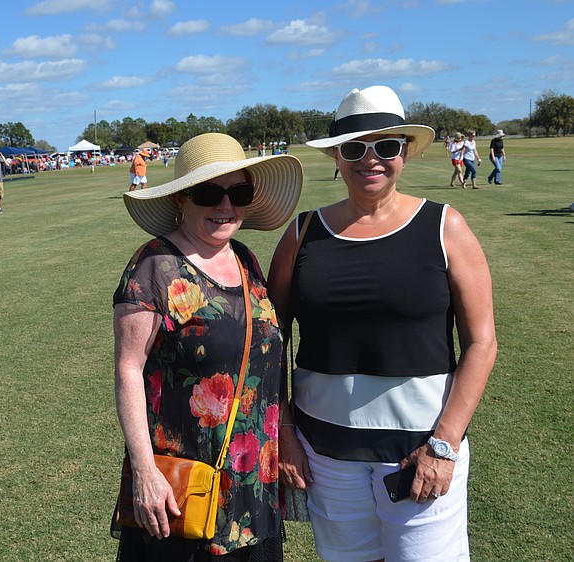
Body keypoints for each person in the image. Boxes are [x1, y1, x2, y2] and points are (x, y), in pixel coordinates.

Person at [268, 85, 497, 562]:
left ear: (405, 152)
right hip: (324, 452)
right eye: (354, 148)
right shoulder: (302, 232)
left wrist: (445, 444)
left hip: (420, 449)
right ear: (336, 155)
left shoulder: (444, 226)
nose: (369, 159)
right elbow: (271, 341)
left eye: (386, 146)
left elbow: (481, 342)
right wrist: (285, 428)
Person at [112, 132, 303, 560]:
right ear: (181, 199)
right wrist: (144, 471)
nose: (225, 206)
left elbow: (265, 365)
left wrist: (286, 434)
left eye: (238, 192)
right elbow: (128, 370)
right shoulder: (154, 266)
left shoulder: (247, 261)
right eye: (208, 192)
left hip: (254, 484)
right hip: (182, 491)